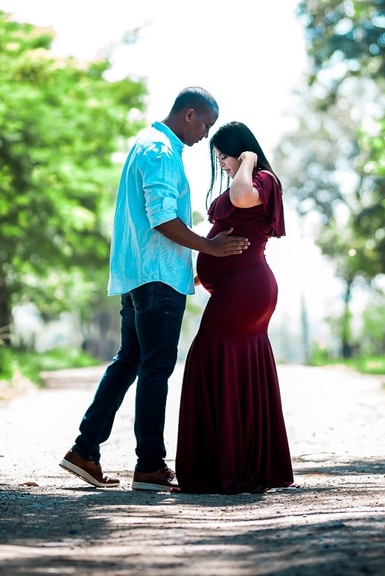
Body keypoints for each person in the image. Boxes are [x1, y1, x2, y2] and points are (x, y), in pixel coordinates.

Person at [60, 87, 251, 491]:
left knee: (130, 360)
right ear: (189, 114)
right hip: (156, 277)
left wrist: (194, 265)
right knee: (155, 367)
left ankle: (84, 450)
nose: (205, 134)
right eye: (205, 124)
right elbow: (161, 218)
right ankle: (149, 465)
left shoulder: (145, 144)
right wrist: (211, 247)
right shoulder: (161, 151)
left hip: (138, 274)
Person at [175, 121, 294, 494]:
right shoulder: (249, 180)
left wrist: (249, 159)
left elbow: (241, 198)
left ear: (240, 151)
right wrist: (202, 274)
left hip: (247, 289)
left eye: (223, 156)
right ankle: (235, 463)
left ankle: (226, 467)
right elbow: (232, 236)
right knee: (230, 366)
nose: (222, 164)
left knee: (212, 358)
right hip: (239, 286)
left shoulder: (261, 180)